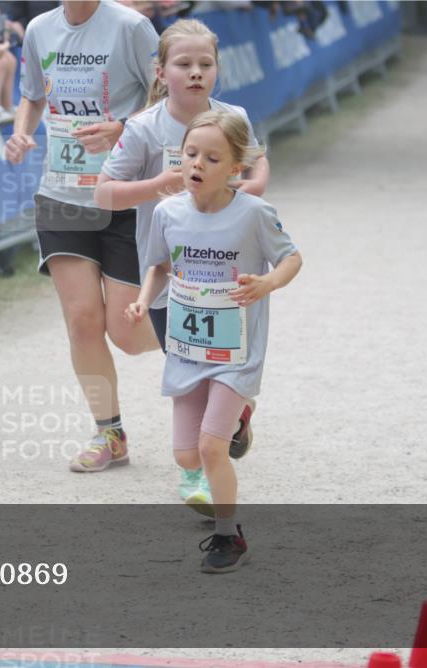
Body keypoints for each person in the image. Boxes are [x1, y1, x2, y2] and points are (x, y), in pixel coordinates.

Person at [94, 18, 268, 510]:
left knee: (219, 369)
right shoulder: (144, 127)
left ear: (217, 69)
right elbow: (105, 192)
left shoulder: (232, 116)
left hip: (231, 273)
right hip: (176, 277)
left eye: (205, 64)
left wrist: (250, 190)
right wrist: (161, 185)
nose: (195, 73)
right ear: (160, 70)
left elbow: (257, 162)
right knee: (188, 372)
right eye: (183, 64)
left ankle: (221, 436)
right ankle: (196, 470)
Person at [127, 110, 302, 573]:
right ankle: (241, 418)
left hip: (236, 353)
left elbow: (291, 258)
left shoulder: (254, 214)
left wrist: (267, 284)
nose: (197, 164)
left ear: (235, 168)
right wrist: (145, 301)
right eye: (189, 154)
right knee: (186, 455)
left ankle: (230, 537)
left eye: (211, 156)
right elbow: (159, 265)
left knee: (210, 449)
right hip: (187, 349)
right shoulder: (167, 212)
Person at [6, 0, 159, 473]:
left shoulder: (132, 27)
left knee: (127, 333)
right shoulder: (38, 29)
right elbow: (33, 95)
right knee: (81, 320)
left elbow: (169, 98)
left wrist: (121, 128)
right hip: (62, 195)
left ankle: (203, 337)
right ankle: (108, 434)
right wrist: (20, 133)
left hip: (124, 194)